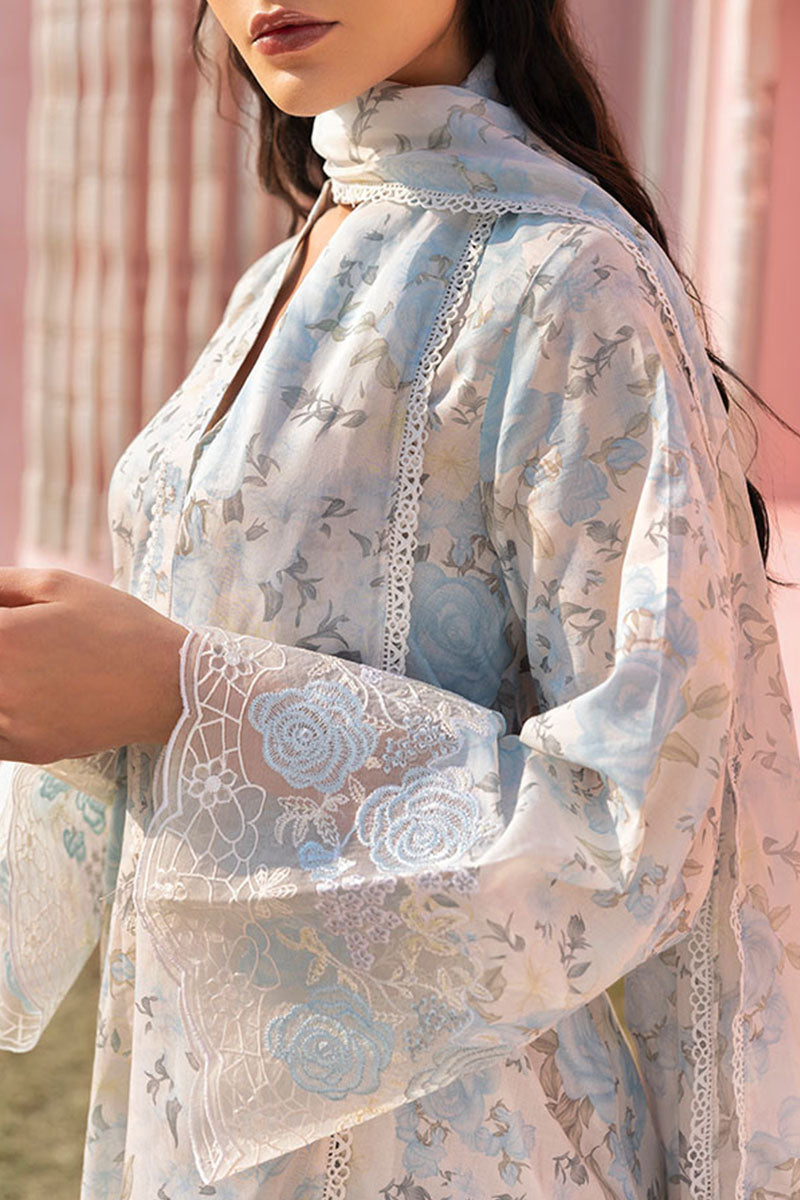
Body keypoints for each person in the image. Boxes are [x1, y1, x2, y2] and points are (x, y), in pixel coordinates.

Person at [1, 1, 799, 1197]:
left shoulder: (568, 283)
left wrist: (183, 692)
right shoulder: (293, 264)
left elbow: (639, 821)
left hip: (458, 1150)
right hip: (206, 1113)